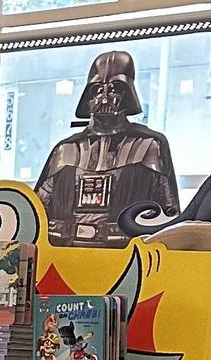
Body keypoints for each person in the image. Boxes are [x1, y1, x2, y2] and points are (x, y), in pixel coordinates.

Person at [35, 50, 178, 248]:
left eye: (115, 88)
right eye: (97, 89)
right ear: (88, 94)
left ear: (128, 92)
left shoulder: (149, 145)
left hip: (124, 255)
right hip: (65, 255)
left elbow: (169, 215)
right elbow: (37, 212)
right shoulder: (66, 149)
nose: (105, 97)